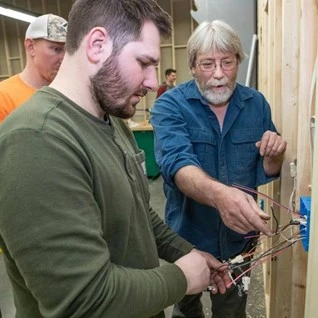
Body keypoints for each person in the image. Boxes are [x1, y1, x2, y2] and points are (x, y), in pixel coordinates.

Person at [0, 3, 231, 318]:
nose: (152, 82)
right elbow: (85, 299)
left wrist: (187, 253)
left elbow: (136, 212)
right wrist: (181, 278)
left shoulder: (113, 120)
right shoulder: (35, 140)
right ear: (97, 45)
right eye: (143, 62)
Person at [150, 20, 287, 318]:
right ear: (193, 66)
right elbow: (176, 164)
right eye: (208, 64)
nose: (219, 74)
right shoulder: (170, 105)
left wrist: (275, 153)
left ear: (238, 60)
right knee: (187, 309)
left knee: (232, 311)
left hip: (240, 243)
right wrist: (222, 197)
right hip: (187, 241)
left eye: (227, 62)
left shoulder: (257, 104)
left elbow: (266, 168)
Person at [0, 13, 67, 123]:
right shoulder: (4, 97)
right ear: (30, 46)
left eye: (67, 51)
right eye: (56, 49)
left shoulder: (68, 94)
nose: (64, 59)